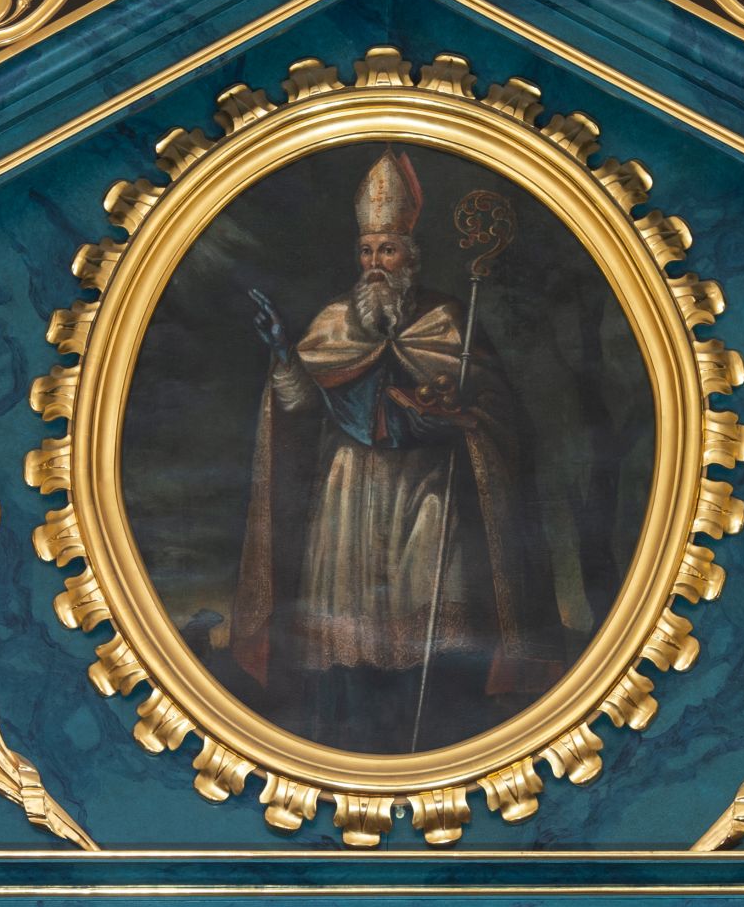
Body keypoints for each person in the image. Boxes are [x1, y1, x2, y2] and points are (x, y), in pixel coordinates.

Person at [231, 151, 564, 752]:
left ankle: (436, 733)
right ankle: (352, 736)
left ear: (410, 256)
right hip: (348, 491)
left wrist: (462, 416)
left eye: (387, 250)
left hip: (427, 487)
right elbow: (300, 406)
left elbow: (497, 413)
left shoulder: (447, 321)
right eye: (367, 252)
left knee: (430, 617)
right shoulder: (336, 321)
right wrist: (283, 357)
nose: (375, 264)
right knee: (349, 626)